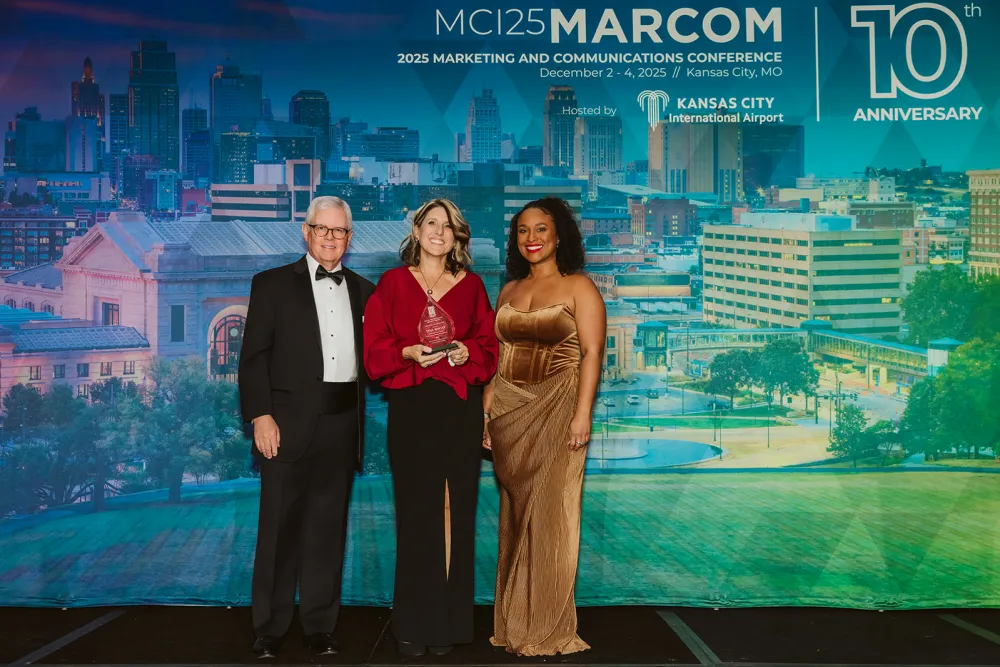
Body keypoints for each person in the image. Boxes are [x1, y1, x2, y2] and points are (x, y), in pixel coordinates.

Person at [238, 196, 375, 659]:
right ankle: (269, 630)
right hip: (284, 425)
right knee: (278, 530)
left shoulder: (365, 290)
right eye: (322, 228)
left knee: (327, 532)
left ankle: (319, 627)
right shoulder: (271, 284)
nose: (330, 238)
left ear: (349, 238)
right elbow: (253, 358)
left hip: (342, 424)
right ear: (306, 231)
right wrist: (261, 416)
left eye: (339, 231)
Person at [363, 198, 499, 658]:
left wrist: (467, 352)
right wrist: (406, 353)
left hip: (459, 408)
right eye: (432, 223)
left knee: (454, 510)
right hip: (412, 408)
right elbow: (374, 349)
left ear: (457, 237)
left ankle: (448, 623)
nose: (440, 232)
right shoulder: (393, 283)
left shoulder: (473, 286)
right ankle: (413, 622)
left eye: (449, 226)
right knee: (417, 514)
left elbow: (489, 349)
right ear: (417, 230)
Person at [483, 197, 605, 656]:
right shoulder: (508, 291)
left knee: (553, 517)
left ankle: (548, 629)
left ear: (558, 237)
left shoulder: (580, 287)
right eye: (522, 230)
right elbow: (499, 355)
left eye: (540, 229)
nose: (531, 238)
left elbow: (592, 353)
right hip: (509, 411)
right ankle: (515, 624)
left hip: (559, 406)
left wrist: (582, 413)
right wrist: (488, 408)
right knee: (516, 517)